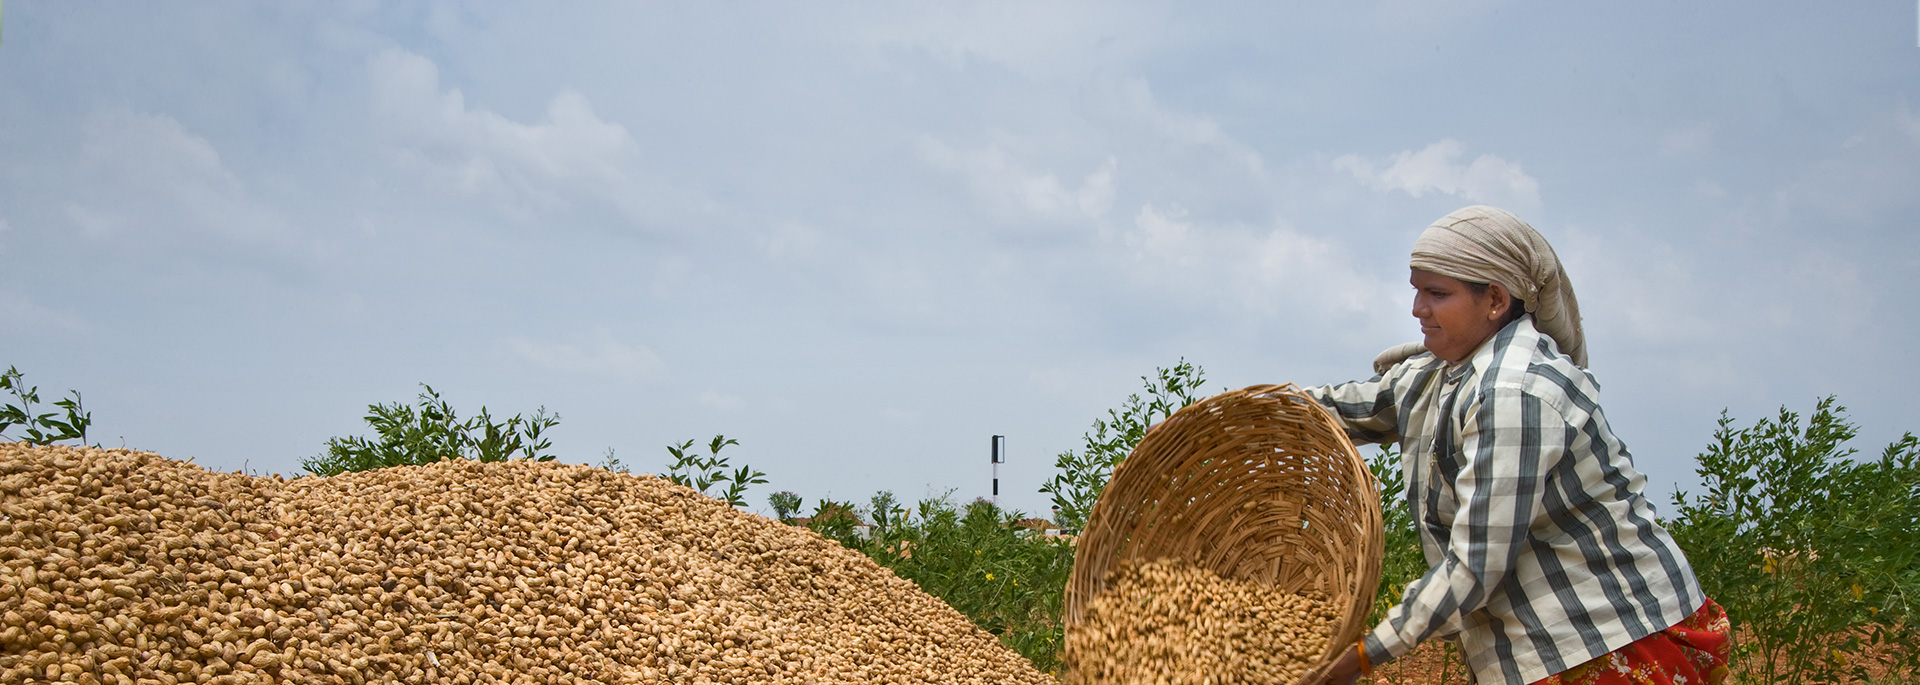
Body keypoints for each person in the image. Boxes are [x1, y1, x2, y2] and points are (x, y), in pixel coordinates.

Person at [1302, 206, 1730, 685]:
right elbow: (1331, 410)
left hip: (1609, 638)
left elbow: (1476, 565)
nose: (1418, 309)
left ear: (1496, 300)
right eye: (1416, 290)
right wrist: (1227, 414)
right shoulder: (1434, 375)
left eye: (1437, 294)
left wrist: (1362, 656)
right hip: (1539, 650)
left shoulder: (1515, 393)